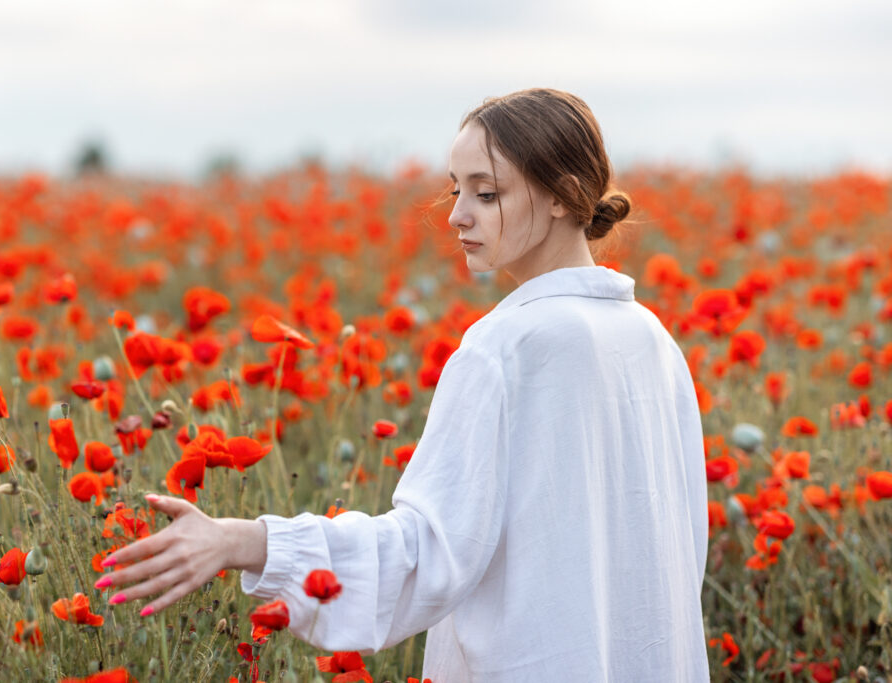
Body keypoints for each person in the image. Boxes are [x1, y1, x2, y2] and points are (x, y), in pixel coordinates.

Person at [97, 88, 710, 681]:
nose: (457, 215)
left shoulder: (505, 347)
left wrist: (242, 541)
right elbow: (683, 553)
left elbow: (426, 552)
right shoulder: (652, 340)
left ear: (562, 196)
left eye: (487, 193)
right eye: (456, 189)